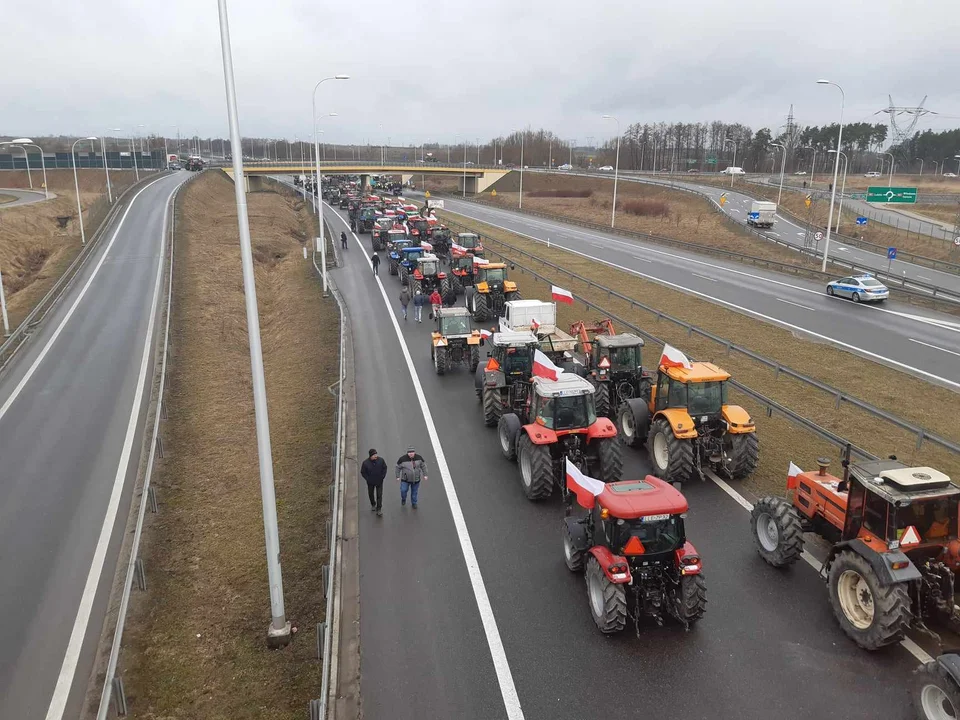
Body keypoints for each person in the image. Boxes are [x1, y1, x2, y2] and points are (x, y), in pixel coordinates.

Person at [361, 448, 388, 516]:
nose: (375, 456)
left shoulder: (381, 460)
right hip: (370, 482)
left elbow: (384, 468)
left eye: (376, 454)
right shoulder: (365, 463)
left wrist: (382, 476)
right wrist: (368, 479)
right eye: (374, 455)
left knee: (379, 495)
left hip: (379, 481)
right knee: (371, 494)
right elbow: (363, 472)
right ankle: (373, 504)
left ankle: (379, 509)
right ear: (370, 456)